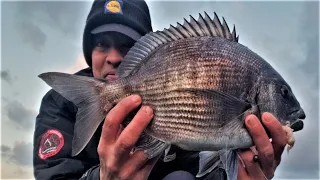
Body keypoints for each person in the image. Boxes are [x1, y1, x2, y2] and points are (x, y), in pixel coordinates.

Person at [32, 0, 288, 179]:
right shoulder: (59, 104)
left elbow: (201, 166)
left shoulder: (185, 107)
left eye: (126, 45)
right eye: (101, 44)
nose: (113, 57)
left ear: (148, 54)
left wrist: (236, 176)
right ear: (89, 51)